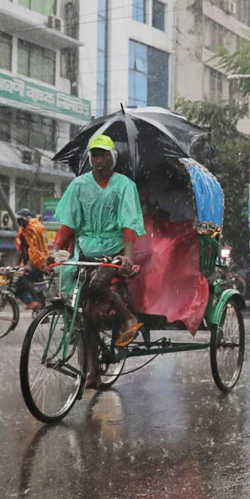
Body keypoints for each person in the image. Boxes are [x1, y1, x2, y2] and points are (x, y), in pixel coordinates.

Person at [51, 135, 146, 366]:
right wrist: (55, 250)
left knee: (96, 284)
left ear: (112, 157)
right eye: (94, 154)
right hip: (85, 248)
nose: (99, 160)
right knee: (85, 312)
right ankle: (92, 371)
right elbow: (69, 223)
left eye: (103, 154)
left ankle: (128, 319)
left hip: (113, 248)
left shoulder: (124, 185)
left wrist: (128, 256)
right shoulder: (79, 185)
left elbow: (128, 222)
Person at [12, 209, 50, 310]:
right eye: (18, 220)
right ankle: (42, 313)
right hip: (30, 262)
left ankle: (35, 302)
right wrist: (17, 265)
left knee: (21, 281)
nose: (18, 222)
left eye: (20, 220)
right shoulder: (23, 231)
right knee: (38, 288)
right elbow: (22, 249)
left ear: (26, 219)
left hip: (38, 261)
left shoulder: (33, 229)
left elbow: (34, 249)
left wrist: (28, 264)